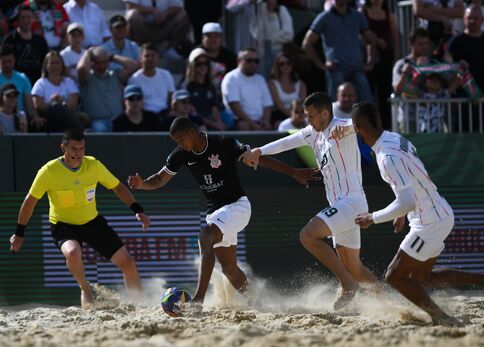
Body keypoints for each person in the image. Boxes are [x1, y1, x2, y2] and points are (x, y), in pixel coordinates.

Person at [348, 101, 484, 326]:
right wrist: (401, 211)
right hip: (439, 211)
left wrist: (373, 217)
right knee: (421, 278)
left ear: (358, 128)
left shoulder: (386, 157)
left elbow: (406, 198)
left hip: (429, 222)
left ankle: (440, 317)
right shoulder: (395, 138)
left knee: (394, 276)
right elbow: (412, 181)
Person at [127, 116, 316, 307]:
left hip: (237, 207)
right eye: (176, 142)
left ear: (192, 132)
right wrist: (142, 184)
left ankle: (198, 300)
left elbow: (257, 157)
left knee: (205, 236)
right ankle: (256, 303)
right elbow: (159, 179)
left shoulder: (222, 142)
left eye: (181, 140)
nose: (180, 145)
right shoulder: (181, 154)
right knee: (229, 269)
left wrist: (293, 172)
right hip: (215, 213)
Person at [242, 92, 379, 310]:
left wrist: (353, 127)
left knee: (307, 235)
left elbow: (371, 124)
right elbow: (286, 142)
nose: (308, 120)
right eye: (306, 116)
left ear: (326, 113)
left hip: (352, 202)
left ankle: (347, 284)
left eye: (312, 115)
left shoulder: (342, 126)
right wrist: (259, 151)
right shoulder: (312, 133)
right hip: (341, 206)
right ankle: (388, 300)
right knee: (355, 267)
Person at [9, 129, 151, 308]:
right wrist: (19, 233)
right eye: (74, 149)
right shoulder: (49, 171)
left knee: (128, 262)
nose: (78, 153)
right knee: (73, 254)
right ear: (63, 148)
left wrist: (138, 210)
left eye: (81, 148)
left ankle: (140, 306)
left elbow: (118, 187)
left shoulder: (93, 165)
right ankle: (85, 288)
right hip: (63, 225)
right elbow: (30, 201)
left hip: (92, 222)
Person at [302, 0, 375, 102]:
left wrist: (370, 62)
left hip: (357, 67)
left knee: (367, 104)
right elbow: (307, 43)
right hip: (336, 69)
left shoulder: (357, 16)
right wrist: (321, 65)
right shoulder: (324, 17)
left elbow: (370, 39)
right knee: (336, 106)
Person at [447, 5, 484, 97]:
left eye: (476, 18)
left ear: (482, 20)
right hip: (465, 97)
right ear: (464, 19)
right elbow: (448, 67)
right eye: (469, 18)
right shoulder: (456, 42)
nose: (472, 21)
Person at [77, 46, 140, 132]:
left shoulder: (115, 75)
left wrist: (111, 56)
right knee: (100, 129)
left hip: (118, 120)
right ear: (91, 62)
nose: (101, 66)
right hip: (96, 122)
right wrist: (88, 52)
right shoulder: (86, 78)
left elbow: (134, 66)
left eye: (104, 62)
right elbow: (81, 69)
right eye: (97, 62)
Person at [363, 0, 399, 129]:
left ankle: (386, 127)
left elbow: (395, 39)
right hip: (368, 60)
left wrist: (395, 59)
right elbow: (361, 33)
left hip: (385, 59)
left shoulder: (389, 15)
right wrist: (375, 40)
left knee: (384, 95)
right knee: (369, 94)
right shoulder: (363, 12)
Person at [31, 51, 85, 131]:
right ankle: (80, 131)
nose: (55, 65)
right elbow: (38, 106)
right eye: (52, 63)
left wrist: (62, 101)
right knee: (55, 106)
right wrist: (51, 103)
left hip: (67, 117)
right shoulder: (40, 83)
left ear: (62, 65)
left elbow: (73, 105)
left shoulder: (69, 82)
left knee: (58, 107)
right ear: (46, 66)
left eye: (58, 63)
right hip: (48, 118)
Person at [221, 47, 273, 130]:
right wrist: (253, 124)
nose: (253, 64)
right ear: (239, 61)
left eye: (256, 61)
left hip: (259, 121)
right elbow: (235, 106)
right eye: (249, 61)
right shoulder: (231, 78)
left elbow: (268, 104)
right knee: (244, 125)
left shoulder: (260, 79)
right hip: (239, 121)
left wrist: (266, 120)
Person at [124, 0, 193, 58]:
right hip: (142, 28)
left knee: (182, 16)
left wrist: (165, 15)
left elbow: (178, 7)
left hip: (164, 26)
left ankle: (171, 49)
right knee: (132, 15)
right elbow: (131, 6)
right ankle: (137, 49)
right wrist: (152, 11)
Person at [1, 5, 49, 84]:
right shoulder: (9, 39)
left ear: (33, 19)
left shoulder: (41, 41)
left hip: (38, 83)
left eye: (28, 17)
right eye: (22, 17)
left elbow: (46, 64)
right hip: (16, 84)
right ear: (17, 20)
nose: (26, 20)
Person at [182, 47, 226, 131]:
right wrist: (214, 124)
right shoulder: (187, 85)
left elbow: (214, 108)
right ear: (192, 66)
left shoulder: (211, 85)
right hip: (194, 123)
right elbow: (191, 112)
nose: (203, 66)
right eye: (199, 64)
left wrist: (218, 122)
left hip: (210, 121)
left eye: (206, 63)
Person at [128, 43, 175, 118]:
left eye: (153, 55)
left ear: (158, 58)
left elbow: (171, 97)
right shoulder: (134, 79)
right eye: (146, 56)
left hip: (165, 113)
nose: (150, 59)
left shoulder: (166, 75)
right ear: (140, 58)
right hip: (145, 115)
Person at [0, 44, 39, 130]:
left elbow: (29, 105)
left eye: (9, 61)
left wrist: (35, 117)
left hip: (19, 119)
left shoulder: (23, 78)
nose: (7, 65)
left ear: (14, 60)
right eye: (4, 62)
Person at [268, 52, 307, 126]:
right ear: (277, 66)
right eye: (281, 64)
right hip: (280, 116)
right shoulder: (272, 83)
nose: (285, 66)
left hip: (299, 115)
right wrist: (293, 116)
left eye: (288, 63)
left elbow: (303, 104)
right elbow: (279, 105)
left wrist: (298, 116)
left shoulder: (301, 84)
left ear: (292, 65)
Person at [200, 22, 237, 89]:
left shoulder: (229, 56)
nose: (213, 39)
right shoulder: (196, 55)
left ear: (221, 38)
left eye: (216, 36)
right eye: (209, 36)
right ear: (202, 38)